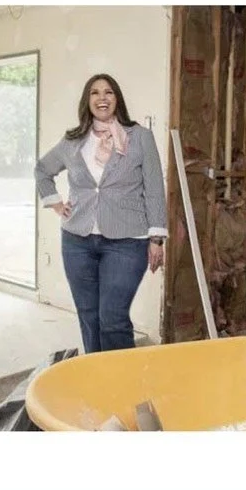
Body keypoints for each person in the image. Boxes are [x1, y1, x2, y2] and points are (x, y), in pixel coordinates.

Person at [34, 74, 168, 353]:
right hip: (77, 239)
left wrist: (157, 239)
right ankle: (96, 381)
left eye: (108, 92)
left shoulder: (140, 137)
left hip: (127, 240)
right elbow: (43, 170)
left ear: (117, 98)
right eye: (94, 93)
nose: (102, 98)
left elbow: (154, 187)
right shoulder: (73, 140)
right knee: (89, 315)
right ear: (88, 101)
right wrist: (56, 202)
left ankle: (125, 384)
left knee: (113, 319)